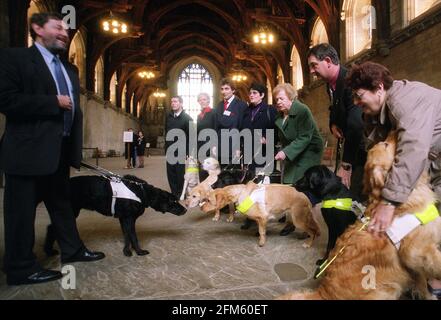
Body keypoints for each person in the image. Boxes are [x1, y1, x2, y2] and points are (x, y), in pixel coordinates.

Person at [0, 12, 105, 285]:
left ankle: (72, 250)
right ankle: (20, 267)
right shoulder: (16, 59)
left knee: (61, 205)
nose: (64, 33)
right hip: (26, 152)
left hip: (58, 151)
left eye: (66, 29)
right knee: (21, 213)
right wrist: (52, 103)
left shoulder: (70, 69)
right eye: (57, 27)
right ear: (37, 28)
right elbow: (7, 100)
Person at [346, 61, 441, 299]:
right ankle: (428, 279)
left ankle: (434, 281)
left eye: (359, 96)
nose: (357, 103)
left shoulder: (404, 103)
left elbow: (412, 151)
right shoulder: (378, 112)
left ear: (379, 87)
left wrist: (388, 203)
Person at [308, 43, 366, 201]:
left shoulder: (349, 81)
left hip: (360, 150)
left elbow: (356, 124)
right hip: (348, 146)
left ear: (327, 61)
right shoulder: (330, 84)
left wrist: (346, 164)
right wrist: (332, 123)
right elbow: (335, 107)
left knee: (355, 195)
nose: (312, 71)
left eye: (314, 65)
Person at [240, 83, 278, 230]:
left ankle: (263, 219)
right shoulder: (246, 111)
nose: (251, 95)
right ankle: (249, 216)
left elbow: (277, 130)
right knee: (249, 186)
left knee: (263, 187)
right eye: (250, 93)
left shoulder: (270, 110)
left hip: (265, 153)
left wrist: (268, 139)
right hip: (249, 154)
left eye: (255, 93)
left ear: (262, 95)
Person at [214, 78, 247, 166]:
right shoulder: (219, 105)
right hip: (220, 148)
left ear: (233, 90)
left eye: (226, 88)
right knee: (219, 176)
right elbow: (216, 127)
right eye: (222, 89)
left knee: (232, 177)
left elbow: (242, 128)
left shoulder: (241, 105)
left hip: (233, 148)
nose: (224, 91)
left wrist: (239, 147)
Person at [165, 95, 193, 197]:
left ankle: (181, 192)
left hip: (181, 150)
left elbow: (191, 136)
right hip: (170, 150)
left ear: (181, 103)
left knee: (179, 173)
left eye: (175, 101)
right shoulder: (168, 116)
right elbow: (166, 133)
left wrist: (188, 152)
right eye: (172, 102)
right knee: (170, 173)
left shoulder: (187, 118)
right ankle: (174, 192)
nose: (173, 103)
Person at [196, 92, 216, 181]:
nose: (202, 101)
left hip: (211, 147)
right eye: (200, 100)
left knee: (211, 171)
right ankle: (202, 192)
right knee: (202, 171)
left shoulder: (213, 113)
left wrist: (215, 146)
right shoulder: (199, 116)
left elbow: (216, 130)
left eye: (204, 99)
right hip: (201, 147)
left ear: (208, 100)